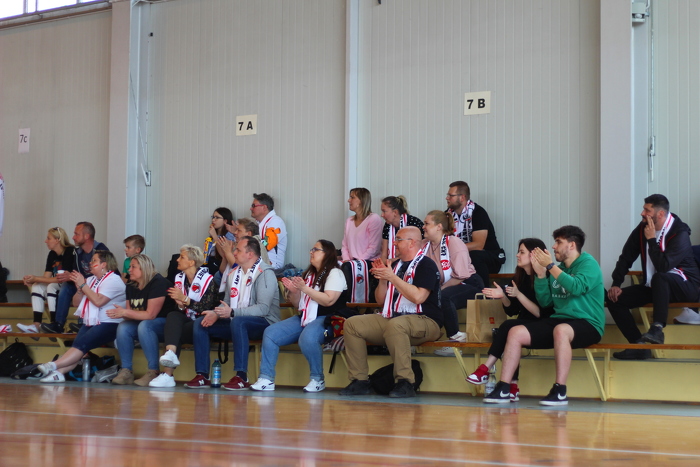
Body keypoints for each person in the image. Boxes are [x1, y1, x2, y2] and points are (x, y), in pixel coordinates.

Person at [483, 226, 604, 405]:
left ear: (571, 245)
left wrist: (550, 267)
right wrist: (541, 275)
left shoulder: (588, 263)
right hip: (559, 321)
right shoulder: (557, 270)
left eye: (558, 242)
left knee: (561, 330)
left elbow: (576, 287)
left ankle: (560, 390)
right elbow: (546, 302)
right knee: (515, 331)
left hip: (588, 323)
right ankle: (504, 388)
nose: (553, 246)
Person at [340, 226, 442, 398]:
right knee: (352, 324)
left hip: (426, 320)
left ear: (412, 243)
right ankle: (360, 380)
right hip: (394, 318)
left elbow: (418, 297)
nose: (394, 243)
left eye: (399, 239)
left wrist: (392, 277)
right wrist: (382, 280)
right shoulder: (394, 265)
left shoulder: (426, 264)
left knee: (396, 325)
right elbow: (381, 301)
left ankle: (405, 382)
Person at [606, 194, 700, 360]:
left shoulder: (680, 233)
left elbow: (663, 266)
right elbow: (626, 257)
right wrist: (616, 284)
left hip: (685, 287)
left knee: (660, 277)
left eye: (647, 210)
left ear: (660, 214)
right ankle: (638, 345)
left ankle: (657, 328)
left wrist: (651, 240)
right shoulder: (642, 228)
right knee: (614, 300)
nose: (642, 213)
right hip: (655, 286)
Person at [249, 239, 348, 393]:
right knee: (270, 333)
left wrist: (304, 288)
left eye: (315, 249)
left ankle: (317, 379)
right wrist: (295, 292)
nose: (311, 252)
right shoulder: (310, 274)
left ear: (327, 253)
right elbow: (298, 305)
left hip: (327, 318)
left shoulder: (335, 273)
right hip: (305, 317)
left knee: (308, 337)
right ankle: (266, 378)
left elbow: (328, 300)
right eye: (312, 249)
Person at [185, 236, 280, 389]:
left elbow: (263, 309)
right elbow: (227, 303)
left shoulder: (265, 273)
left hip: (265, 323)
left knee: (238, 322)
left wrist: (233, 312)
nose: (234, 253)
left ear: (250, 254)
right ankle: (203, 375)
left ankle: (241, 376)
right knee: (201, 323)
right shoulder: (233, 273)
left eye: (238, 250)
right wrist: (216, 313)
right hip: (237, 321)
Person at [466, 238, 553, 401]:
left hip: (544, 324)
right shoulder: (520, 277)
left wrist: (518, 295)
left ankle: (486, 369)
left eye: (522, 252)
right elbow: (512, 310)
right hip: (524, 323)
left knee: (508, 327)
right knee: (509, 329)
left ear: (534, 255)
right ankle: (512, 387)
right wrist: (503, 297)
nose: (517, 255)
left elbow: (540, 314)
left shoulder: (546, 277)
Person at [34, 250, 126, 383]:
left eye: (94, 260)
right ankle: (59, 373)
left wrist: (83, 285)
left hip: (111, 323)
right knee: (77, 347)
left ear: (103, 264)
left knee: (81, 346)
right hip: (93, 321)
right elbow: (76, 303)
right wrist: (79, 289)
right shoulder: (91, 280)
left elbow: (98, 301)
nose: (90, 263)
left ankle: (52, 366)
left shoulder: (114, 280)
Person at [149, 245, 219, 388]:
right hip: (187, 322)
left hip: (204, 323)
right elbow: (179, 310)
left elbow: (205, 308)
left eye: (182, 257)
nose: (177, 260)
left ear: (192, 262)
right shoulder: (179, 278)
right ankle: (170, 354)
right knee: (173, 316)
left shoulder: (208, 280)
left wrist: (185, 300)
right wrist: (180, 305)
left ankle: (168, 374)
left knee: (176, 332)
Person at [421, 210, 484, 356]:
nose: (423, 227)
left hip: (469, 283)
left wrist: (439, 290)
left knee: (443, 297)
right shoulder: (425, 244)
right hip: (446, 285)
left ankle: (455, 338)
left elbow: (461, 275)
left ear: (439, 227)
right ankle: (417, 339)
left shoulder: (454, 242)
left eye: (426, 223)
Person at [109, 254, 174, 386]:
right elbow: (130, 313)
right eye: (129, 267)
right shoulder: (131, 285)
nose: (129, 270)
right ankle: (126, 371)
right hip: (144, 324)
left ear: (144, 268)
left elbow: (151, 315)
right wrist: (120, 313)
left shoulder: (158, 283)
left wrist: (125, 312)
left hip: (166, 325)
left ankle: (153, 371)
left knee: (145, 325)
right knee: (124, 327)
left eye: (133, 267)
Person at [42, 222, 109, 334]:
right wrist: (69, 276)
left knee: (85, 287)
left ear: (86, 236)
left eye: (76, 234)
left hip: (98, 287)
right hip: (82, 284)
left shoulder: (101, 251)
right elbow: (75, 272)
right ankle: (58, 324)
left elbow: (108, 274)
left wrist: (81, 281)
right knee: (66, 287)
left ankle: (83, 323)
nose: (73, 237)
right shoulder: (77, 252)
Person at [445, 181, 505, 286]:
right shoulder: (447, 215)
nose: (447, 198)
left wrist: (453, 249)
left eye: (451, 195)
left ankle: (482, 292)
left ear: (462, 197)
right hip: (461, 255)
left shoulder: (478, 212)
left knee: (474, 255)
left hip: (489, 257)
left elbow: (478, 245)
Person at [19, 227, 75, 333]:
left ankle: (55, 323)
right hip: (58, 284)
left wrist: (36, 278)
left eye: (48, 238)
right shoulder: (52, 254)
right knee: (37, 285)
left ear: (57, 240)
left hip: (69, 285)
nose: (46, 241)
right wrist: (32, 279)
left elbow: (61, 279)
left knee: (51, 286)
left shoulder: (70, 251)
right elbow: (46, 277)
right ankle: (36, 325)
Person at [341, 187, 384, 261]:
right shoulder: (349, 221)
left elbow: (374, 248)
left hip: (368, 262)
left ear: (361, 201)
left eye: (352, 197)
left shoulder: (374, 219)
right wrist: (346, 260)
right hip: (351, 262)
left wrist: (357, 262)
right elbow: (344, 245)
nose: (349, 200)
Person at [379, 196, 424, 264]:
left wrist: (392, 261)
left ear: (395, 212)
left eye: (384, 211)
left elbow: (418, 252)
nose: (382, 215)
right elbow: (384, 255)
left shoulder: (414, 223)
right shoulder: (387, 225)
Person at [250, 193, 287, 270]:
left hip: (272, 268)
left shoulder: (275, 222)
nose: (251, 208)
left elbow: (267, 245)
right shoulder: (260, 223)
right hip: (260, 266)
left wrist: (252, 241)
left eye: (253, 206)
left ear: (264, 207)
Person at [203, 207, 235, 281]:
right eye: (213, 217)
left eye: (217, 217)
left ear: (225, 221)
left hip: (219, 263)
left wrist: (215, 237)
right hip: (209, 260)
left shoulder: (229, 235)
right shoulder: (215, 233)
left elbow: (223, 255)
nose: (213, 220)